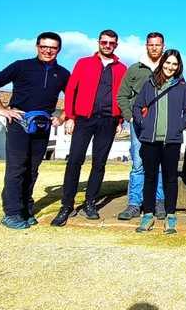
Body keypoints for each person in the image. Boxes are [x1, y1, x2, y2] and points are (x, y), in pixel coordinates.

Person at [0, 32, 71, 229]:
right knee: (17, 168)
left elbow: (73, 96)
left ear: (59, 50)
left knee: (32, 169)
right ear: (37, 47)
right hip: (19, 125)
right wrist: (0, 108)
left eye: (53, 47)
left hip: (43, 126)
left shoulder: (63, 73)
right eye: (44, 47)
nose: (48, 50)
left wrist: (62, 117)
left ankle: (25, 209)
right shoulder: (21, 66)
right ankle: (11, 213)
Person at [52, 30, 127, 227]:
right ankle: (67, 205)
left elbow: (122, 95)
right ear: (98, 42)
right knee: (75, 160)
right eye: (104, 42)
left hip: (108, 121)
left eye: (111, 43)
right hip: (83, 119)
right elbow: (71, 90)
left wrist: (119, 121)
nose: (107, 45)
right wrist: (69, 116)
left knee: (99, 163)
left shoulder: (121, 68)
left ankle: (90, 203)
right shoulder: (83, 63)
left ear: (116, 45)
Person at [132, 49, 186, 234]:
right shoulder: (149, 84)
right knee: (149, 178)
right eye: (168, 63)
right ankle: (148, 216)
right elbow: (136, 107)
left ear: (178, 66)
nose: (170, 67)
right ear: (162, 63)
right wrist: (142, 122)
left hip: (172, 140)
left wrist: (178, 126)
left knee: (170, 179)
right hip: (150, 139)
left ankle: (171, 217)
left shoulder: (183, 86)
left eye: (174, 64)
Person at [116, 32, 166, 221]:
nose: (154, 48)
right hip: (139, 124)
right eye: (151, 44)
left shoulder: (170, 67)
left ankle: (158, 201)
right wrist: (129, 117)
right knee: (138, 165)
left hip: (161, 125)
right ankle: (134, 203)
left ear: (163, 46)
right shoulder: (135, 69)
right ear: (146, 46)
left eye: (158, 45)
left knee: (159, 165)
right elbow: (122, 95)